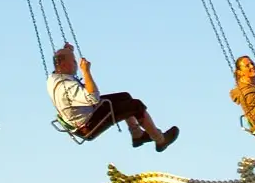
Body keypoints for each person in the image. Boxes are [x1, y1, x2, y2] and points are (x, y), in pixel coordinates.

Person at [46, 43, 178, 150]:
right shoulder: (67, 87)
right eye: (74, 61)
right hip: (88, 125)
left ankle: (137, 135)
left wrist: (67, 51)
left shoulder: (54, 77)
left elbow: (61, 59)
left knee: (124, 97)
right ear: (63, 65)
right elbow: (93, 97)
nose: (76, 64)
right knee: (135, 106)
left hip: (83, 116)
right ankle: (160, 140)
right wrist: (86, 71)